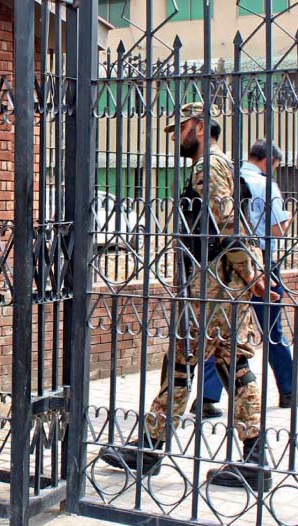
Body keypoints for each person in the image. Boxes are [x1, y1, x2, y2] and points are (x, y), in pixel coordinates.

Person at [99, 103, 270, 490]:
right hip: (227, 281)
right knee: (233, 364)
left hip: (214, 283)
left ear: (197, 125)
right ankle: (255, 456)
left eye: (179, 129)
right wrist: (250, 273)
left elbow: (226, 222)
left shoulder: (208, 166)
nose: (176, 136)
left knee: (181, 358)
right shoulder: (223, 163)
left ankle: (149, 448)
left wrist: (251, 272)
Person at [199, 141, 293, 410]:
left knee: (219, 330)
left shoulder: (228, 176)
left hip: (227, 261)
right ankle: (288, 390)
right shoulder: (265, 185)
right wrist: (288, 217)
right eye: (275, 166)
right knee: (272, 329)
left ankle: (206, 397)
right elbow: (277, 230)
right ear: (270, 161)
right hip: (260, 260)